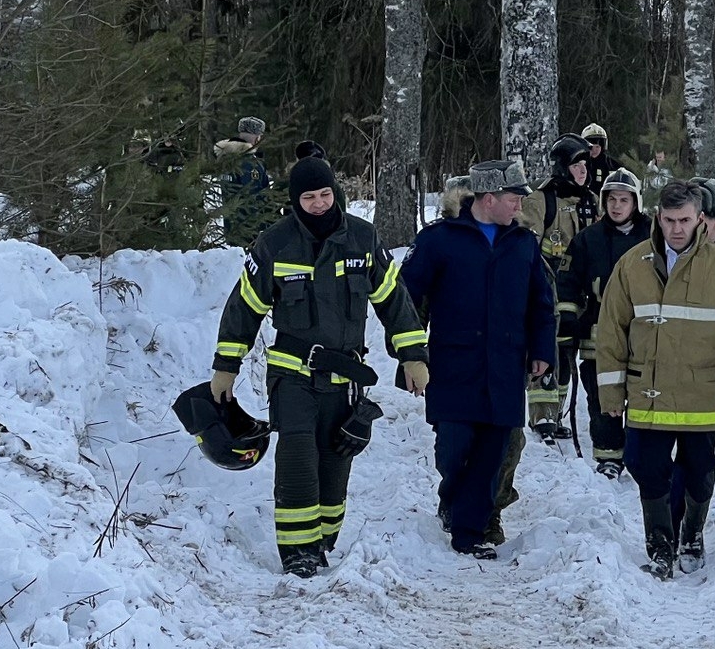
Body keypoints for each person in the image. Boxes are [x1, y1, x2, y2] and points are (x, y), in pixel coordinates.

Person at [210, 156, 430, 578]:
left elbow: (394, 301)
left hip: (345, 379)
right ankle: (298, 553)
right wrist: (227, 366)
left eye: (325, 194)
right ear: (296, 200)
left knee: (334, 462)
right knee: (297, 458)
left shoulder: (363, 239)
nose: (318, 203)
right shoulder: (274, 244)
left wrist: (414, 355)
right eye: (309, 197)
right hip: (292, 375)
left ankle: (323, 539)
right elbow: (244, 308)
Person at [595, 179, 715, 580]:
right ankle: (660, 546)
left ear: (700, 220)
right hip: (647, 392)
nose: (677, 228)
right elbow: (610, 332)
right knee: (645, 465)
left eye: (685, 220)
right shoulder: (631, 265)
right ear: (657, 218)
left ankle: (691, 535)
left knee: (697, 470)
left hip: (700, 394)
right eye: (669, 219)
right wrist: (611, 391)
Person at [399, 160, 556, 560]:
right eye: (514, 198)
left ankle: (472, 529)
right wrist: (410, 355)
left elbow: (541, 302)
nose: (521, 206)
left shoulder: (522, 243)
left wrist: (542, 351)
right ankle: (454, 502)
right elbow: (405, 301)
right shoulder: (438, 240)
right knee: (453, 447)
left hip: (504, 367)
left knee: (495, 450)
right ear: (490, 198)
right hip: (453, 366)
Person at [555, 168, 652, 480]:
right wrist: (568, 319)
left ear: (636, 202)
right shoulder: (587, 240)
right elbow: (566, 281)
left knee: (642, 397)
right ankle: (609, 456)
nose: (616, 205)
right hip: (597, 337)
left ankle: (640, 457)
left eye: (624, 199)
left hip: (645, 337)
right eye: (611, 199)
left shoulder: (655, 237)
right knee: (601, 398)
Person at [518, 133, 599, 443]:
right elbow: (527, 247)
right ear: (563, 167)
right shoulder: (541, 200)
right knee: (553, 350)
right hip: (550, 289)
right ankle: (543, 417)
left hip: (583, 290)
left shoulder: (591, 200)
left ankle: (558, 410)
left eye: (585, 166)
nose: (583, 171)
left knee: (572, 353)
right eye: (577, 165)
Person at [215, 116, 271, 245]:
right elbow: (254, 196)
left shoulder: (226, 158)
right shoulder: (249, 163)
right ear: (257, 137)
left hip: (231, 225)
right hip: (249, 229)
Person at [580, 123, 626, 195]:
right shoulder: (578, 164)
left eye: (597, 147)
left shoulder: (611, 165)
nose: (594, 150)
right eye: (591, 147)